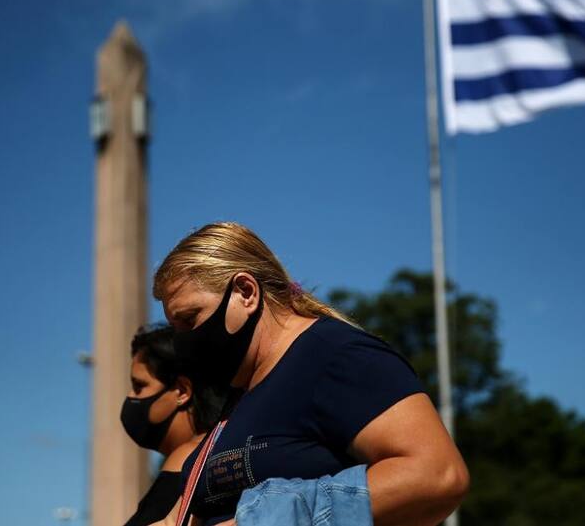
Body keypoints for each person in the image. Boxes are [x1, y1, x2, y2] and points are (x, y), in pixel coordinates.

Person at [150, 222, 469, 526]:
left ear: (245, 292)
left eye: (190, 319)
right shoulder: (239, 398)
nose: (182, 343)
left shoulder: (335, 355)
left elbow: (437, 473)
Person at [122, 324, 228, 526]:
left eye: (139, 386)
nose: (131, 397)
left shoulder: (187, 457)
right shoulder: (223, 444)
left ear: (181, 391)